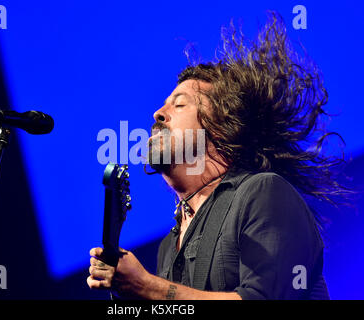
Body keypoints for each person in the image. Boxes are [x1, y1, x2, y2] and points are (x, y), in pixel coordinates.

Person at [87, 12, 349, 300]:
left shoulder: (264, 193)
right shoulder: (168, 247)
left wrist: (149, 287)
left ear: (222, 129)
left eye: (179, 104)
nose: (157, 114)